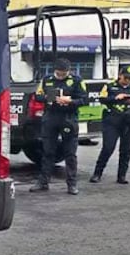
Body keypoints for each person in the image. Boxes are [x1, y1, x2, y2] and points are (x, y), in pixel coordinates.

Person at [30, 58, 88, 195]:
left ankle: (72, 184)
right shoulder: (47, 79)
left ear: (69, 71)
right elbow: (38, 96)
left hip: (68, 118)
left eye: (64, 73)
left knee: (70, 153)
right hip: (50, 118)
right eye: (59, 73)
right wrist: (51, 98)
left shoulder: (77, 80)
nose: (61, 76)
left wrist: (70, 101)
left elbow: (84, 99)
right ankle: (43, 182)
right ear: (54, 70)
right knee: (48, 152)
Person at [89, 65, 130, 185]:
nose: (128, 80)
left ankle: (122, 176)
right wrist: (116, 98)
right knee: (108, 148)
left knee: (126, 150)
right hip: (112, 121)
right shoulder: (110, 86)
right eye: (125, 77)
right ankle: (97, 173)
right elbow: (101, 99)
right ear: (120, 75)